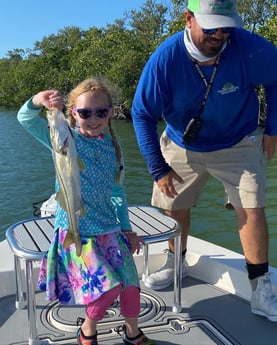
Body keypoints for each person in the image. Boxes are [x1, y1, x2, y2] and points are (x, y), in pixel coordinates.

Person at [132, 0, 277, 321]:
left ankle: (260, 288)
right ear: (189, 19)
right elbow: (142, 114)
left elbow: (276, 78)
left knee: (252, 209)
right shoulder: (166, 58)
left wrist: (273, 129)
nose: (220, 34)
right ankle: (176, 260)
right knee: (174, 207)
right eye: (212, 27)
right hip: (183, 141)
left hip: (238, 139)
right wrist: (158, 169)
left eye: (227, 26)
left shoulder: (250, 48)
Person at [17, 77, 156, 345]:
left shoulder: (114, 149)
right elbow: (26, 119)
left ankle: (132, 332)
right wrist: (39, 101)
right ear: (73, 114)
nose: (93, 119)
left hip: (110, 230)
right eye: (85, 113)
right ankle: (88, 331)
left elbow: (118, 194)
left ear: (111, 113)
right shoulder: (64, 140)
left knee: (130, 285)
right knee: (106, 288)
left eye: (101, 112)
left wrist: (127, 229)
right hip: (75, 232)